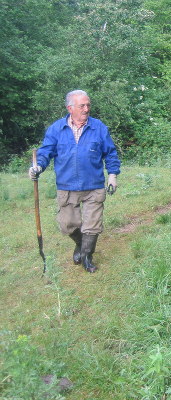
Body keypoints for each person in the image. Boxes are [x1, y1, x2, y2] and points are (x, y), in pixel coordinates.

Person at [29, 90, 121, 273]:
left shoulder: (99, 127)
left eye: (88, 105)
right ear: (70, 108)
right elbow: (45, 151)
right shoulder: (56, 129)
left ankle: (87, 256)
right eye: (82, 106)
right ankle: (80, 244)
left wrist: (112, 175)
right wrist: (38, 167)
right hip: (67, 185)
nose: (86, 109)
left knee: (92, 225)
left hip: (93, 185)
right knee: (67, 224)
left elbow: (110, 153)